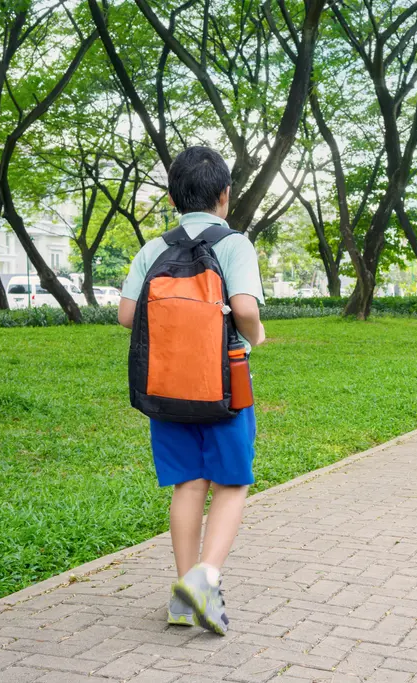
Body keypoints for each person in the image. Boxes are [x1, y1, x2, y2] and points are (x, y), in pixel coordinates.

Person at [118, 146, 265, 635]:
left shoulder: (152, 248)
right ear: (224, 195)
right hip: (225, 384)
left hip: (167, 386)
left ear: (174, 197)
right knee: (231, 483)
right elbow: (243, 306)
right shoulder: (235, 244)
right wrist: (257, 334)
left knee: (188, 484)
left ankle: (183, 593)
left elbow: (126, 315)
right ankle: (205, 581)